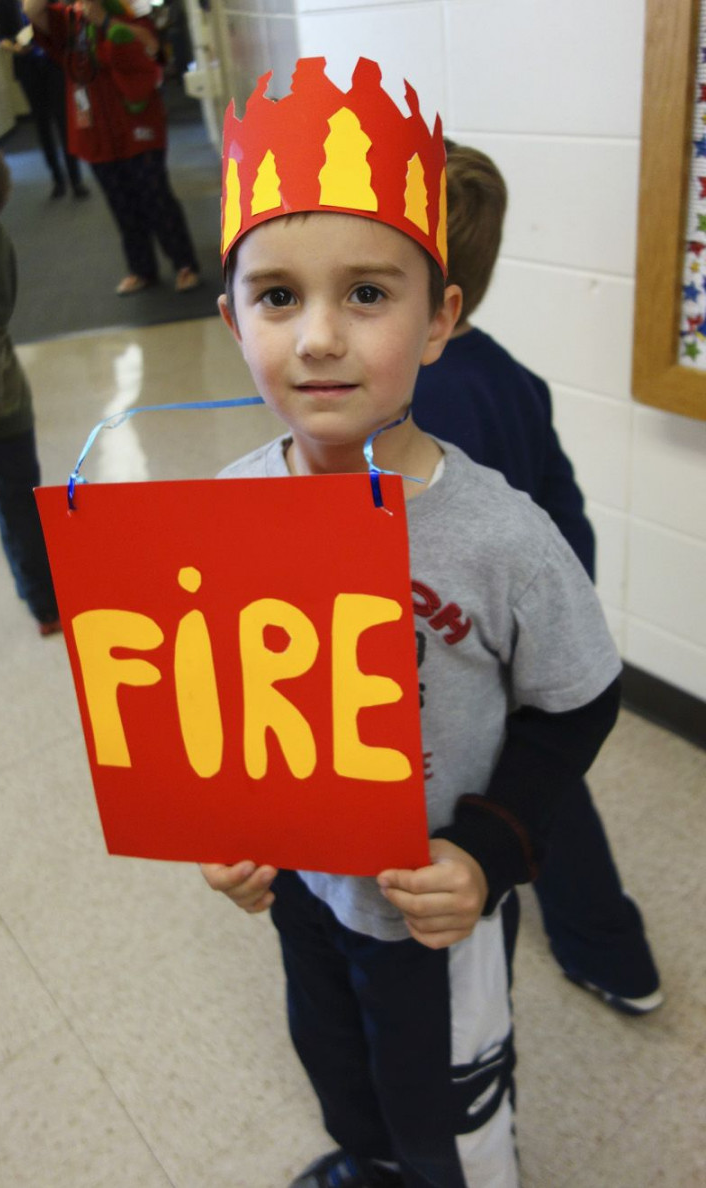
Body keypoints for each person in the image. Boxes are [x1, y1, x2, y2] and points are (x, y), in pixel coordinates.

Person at [200, 58, 623, 1188]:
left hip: (438, 911)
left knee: (456, 1123)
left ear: (442, 321)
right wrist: (235, 823)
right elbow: (231, 684)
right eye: (278, 295)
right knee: (343, 1074)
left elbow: (579, 698)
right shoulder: (230, 507)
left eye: (368, 295)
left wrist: (489, 852)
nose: (320, 337)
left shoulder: (499, 534)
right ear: (231, 314)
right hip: (309, 890)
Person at [411, 143, 662, 1016]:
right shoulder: (513, 375)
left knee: (504, 793)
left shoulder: (410, 403)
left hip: (466, 653)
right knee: (547, 783)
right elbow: (566, 511)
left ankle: (589, 939)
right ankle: (612, 951)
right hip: (527, 636)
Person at [24, 0, 200, 295]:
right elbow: (32, 11)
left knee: (155, 195)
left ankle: (185, 264)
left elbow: (151, 47)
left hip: (136, 121)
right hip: (95, 128)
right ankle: (141, 269)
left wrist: (106, 21)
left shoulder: (131, 10)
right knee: (121, 202)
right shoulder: (69, 19)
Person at [0, 135, 60, 636]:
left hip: (0, 400)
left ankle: (45, 601)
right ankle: (46, 606)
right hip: (5, 397)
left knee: (19, 505)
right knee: (20, 504)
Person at [0, 0, 89, 200]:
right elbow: (2, 38)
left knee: (64, 121)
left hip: (54, 64)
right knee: (42, 124)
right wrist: (16, 49)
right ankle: (57, 180)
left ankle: (76, 180)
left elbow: (63, 22)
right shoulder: (6, 4)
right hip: (28, 69)